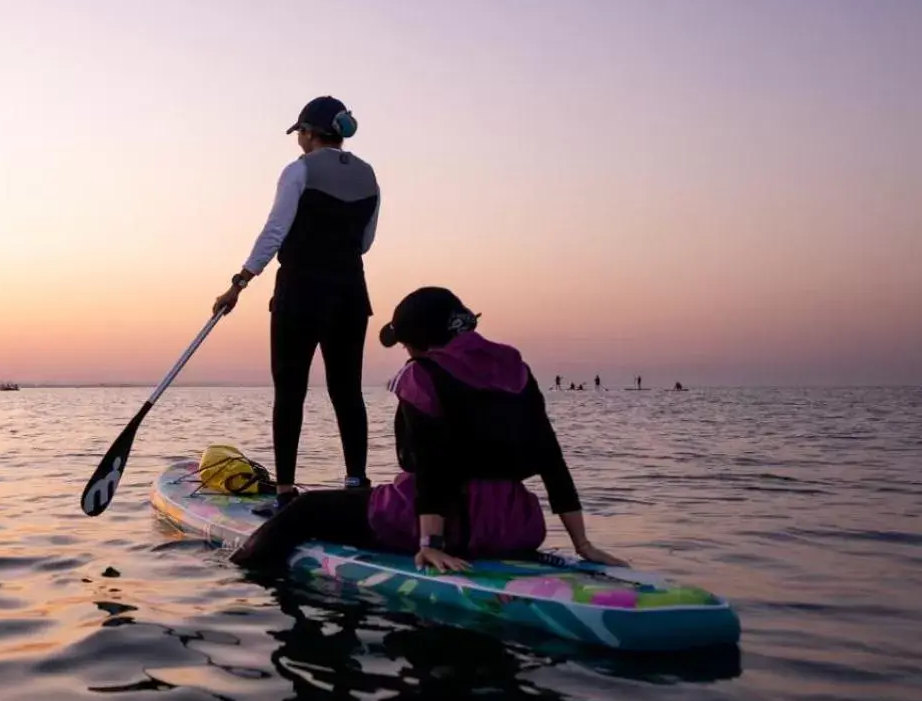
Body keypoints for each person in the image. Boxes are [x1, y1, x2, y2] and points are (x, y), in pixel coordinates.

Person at [231, 287, 627, 574]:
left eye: (405, 345)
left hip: (447, 525)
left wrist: (430, 544)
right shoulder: (517, 371)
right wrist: (583, 544)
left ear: (420, 342)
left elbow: (433, 463)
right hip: (515, 526)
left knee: (305, 509)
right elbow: (550, 457)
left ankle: (241, 574)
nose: (405, 353)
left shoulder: (422, 375)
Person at [212, 96, 380, 515]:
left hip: (301, 291)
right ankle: (356, 484)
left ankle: (285, 493)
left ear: (309, 132)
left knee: (290, 391)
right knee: (348, 391)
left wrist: (240, 281)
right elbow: (365, 243)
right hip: (350, 293)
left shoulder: (298, 170)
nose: (298, 141)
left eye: (300, 133)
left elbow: (274, 232)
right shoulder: (370, 176)